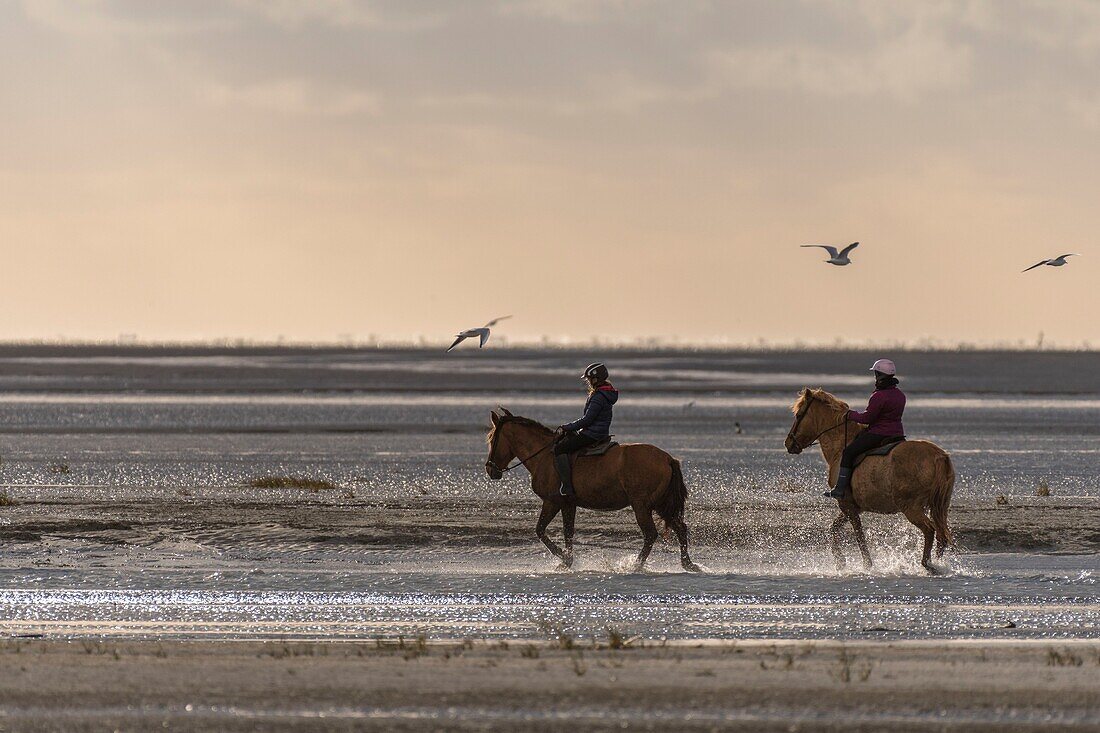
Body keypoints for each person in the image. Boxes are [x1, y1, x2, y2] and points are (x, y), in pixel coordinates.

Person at [825, 358, 906, 499]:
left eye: (875, 374)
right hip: (898, 433)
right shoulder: (900, 395)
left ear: (879, 375)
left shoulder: (878, 396)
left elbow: (867, 419)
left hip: (878, 434)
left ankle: (840, 489)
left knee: (849, 452)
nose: (875, 377)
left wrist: (850, 415)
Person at [554, 362, 619, 497]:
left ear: (596, 379)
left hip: (592, 434)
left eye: (590, 379)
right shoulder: (605, 393)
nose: (588, 382)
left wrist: (566, 427)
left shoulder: (598, 397)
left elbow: (587, 420)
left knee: (560, 449)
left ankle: (567, 486)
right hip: (599, 432)